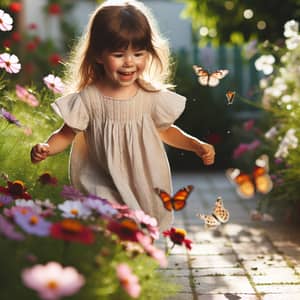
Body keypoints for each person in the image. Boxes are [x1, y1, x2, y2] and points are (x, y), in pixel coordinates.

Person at [30, 0, 215, 231]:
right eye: (119, 54)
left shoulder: (150, 96)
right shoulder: (89, 98)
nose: (129, 62)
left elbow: (166, 131)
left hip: (141, 182)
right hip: (99, 178)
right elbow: (66, 134)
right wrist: (46, 147)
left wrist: (194, 145)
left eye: (138, 53)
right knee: (108, 227)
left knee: (138, 232)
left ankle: (132, 264)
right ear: (98, 55)